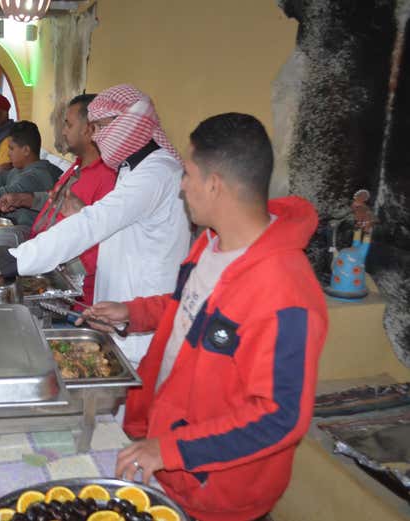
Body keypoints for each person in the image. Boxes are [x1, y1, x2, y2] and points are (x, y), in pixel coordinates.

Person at [81, 113, 328, 521]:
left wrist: (170, 450)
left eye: (188, 175)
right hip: (166, 456)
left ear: (214, 185)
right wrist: (134, 313)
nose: (182, 186)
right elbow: (187, 311)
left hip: (215, 491)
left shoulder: (286, 292)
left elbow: (281, 417)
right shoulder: (211, 244)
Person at [0, 85, 190, 366]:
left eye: (101, 127)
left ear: (128, 126)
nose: (96, 136)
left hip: (140, 315)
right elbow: (120, 225)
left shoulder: (156, 173)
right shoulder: (133, 170)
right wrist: (81, 212)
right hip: (118, 309)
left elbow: (93, 224)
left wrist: (2, 264)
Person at [0, 94, 117, 305]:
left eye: (68, 125)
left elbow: (98, 244)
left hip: (66, 293)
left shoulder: (108, 178)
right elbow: (58, 204)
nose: (63, 131)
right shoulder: (78, 166)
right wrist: (26, 199)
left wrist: (49, 281)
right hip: (41, 264)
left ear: (90, 129)